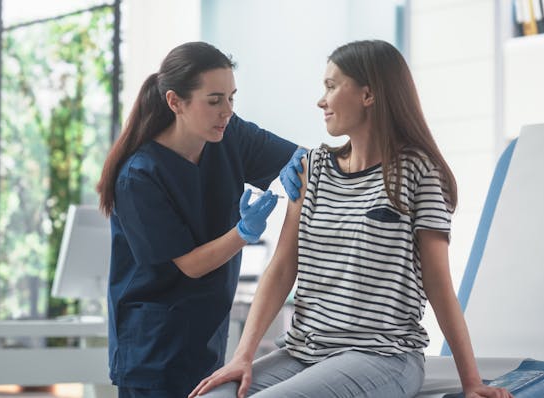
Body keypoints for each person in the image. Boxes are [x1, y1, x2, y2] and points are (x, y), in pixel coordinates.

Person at [189, 40, 512, 398]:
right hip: (305, 352)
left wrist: (471, 382)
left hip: (384, 356)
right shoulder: (313, 168)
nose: (321, 100)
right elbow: (282, 268)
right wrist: (241, 358)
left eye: (330, 86)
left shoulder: (420, 173)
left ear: (368, 95)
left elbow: (439, 285)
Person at [96, 41, 305, 397]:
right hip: (152, 352)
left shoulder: (230, 135)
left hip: (205, 341)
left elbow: (303, 160)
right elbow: (190, 265)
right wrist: (243, 233)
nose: (226, 111)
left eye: (231, 98)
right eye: (214, 100)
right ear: (175, 102)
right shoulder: (139, 176)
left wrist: (302, 164)